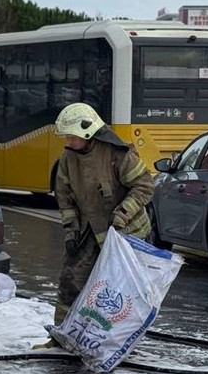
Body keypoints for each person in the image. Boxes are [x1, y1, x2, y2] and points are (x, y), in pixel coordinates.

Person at [48, 102, 154, 335]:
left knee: (120, 290)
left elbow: (145, 186)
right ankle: (64, 333)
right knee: (71, 280)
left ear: (87, 132)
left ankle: (118, 337)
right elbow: (65, 200)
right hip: (90, 229)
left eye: (71, 136)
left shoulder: (118, 154)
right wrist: (71, 232)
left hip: (127, 234)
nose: (68, 141)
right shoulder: (68, 159)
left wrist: (122, 215)